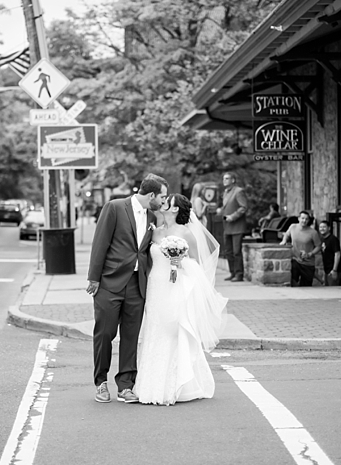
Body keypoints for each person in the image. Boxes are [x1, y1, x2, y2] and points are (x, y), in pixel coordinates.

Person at [135, 194, 228, 405]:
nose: (164, 202)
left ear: (176, 209)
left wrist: (179, 262)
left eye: (168, 201)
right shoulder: (154, 231)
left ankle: (181, 385)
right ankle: (150, 385)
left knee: (174, 332)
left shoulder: (185, 232)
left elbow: (197, 263)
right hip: (155, 286)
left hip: (175, 287)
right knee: (155, 331)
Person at [87, 173, 168, 404]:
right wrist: (94, 278)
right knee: (105, 333)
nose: (163, 201)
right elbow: (100, 243)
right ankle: (100, 382)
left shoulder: (153, 216)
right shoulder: (114, 207)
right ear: (151, 195)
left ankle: (125, 386)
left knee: (131, 336)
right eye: (161, 197)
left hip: (137, 284)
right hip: (109, 283)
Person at [216, 172, 248, 282]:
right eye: (224, 178)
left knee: (236, 252)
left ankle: (239, 275)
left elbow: (243, 207)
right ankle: (232, 272)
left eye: (227, 178)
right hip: (227, 226)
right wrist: (221, 210)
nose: (224, 180)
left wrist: (233, 216)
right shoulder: (225, 192)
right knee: (228, 251)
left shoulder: (239, 191)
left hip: (237, 226)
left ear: (233, 180)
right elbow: (227, 206)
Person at [279, 210, 321, 287]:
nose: (304, 220)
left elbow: (318, 246)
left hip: (308, 263)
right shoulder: (293, 227)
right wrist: (284, 241)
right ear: (298, 218)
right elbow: (286, 234)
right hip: (295, 260)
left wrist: (310, 254)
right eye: (302, 218)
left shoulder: (313, 232)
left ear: (309, 220)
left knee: (306, 286)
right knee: (293, 283)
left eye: (306, 219)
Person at [317, 220, 341, 286]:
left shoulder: (333, 239)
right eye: (320, 227)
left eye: (324, 227)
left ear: (329, 228)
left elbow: (337, 254)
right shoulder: (322, 239)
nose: (322, 229)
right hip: (327, 270)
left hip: (333, 270)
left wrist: (334, 270)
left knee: (333, 291)